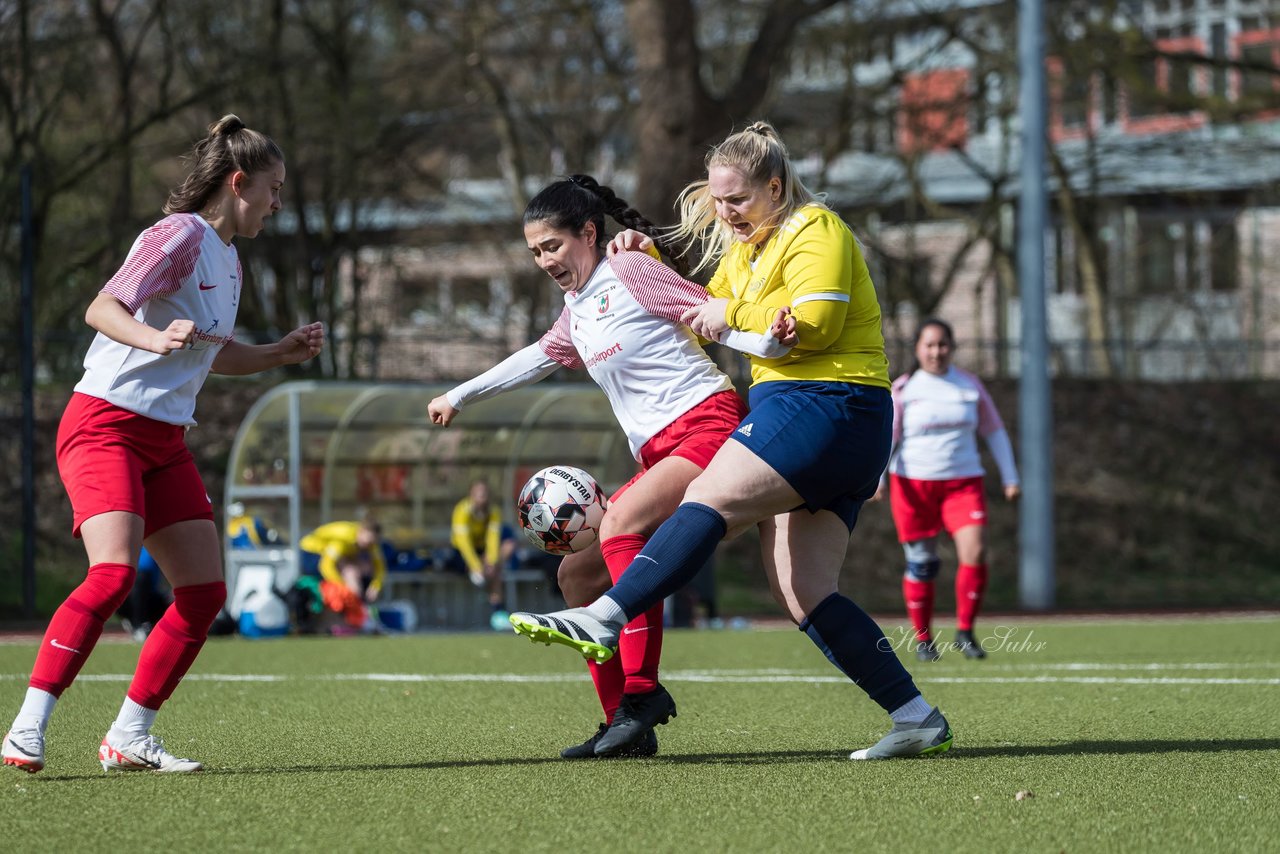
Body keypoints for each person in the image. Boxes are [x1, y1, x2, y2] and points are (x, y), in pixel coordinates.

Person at [508, 122, 954, 760]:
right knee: (805, 592)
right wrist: (648, 253)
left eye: (738, 199)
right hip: (816, 417)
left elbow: (817, 327)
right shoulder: (745, 252)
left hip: (828, 403)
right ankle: (914, 716)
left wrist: (731, 314)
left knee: (709, 493)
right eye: (717, 200)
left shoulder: (816, 229)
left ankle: (606, 615)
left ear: (776, 186)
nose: (725, 213)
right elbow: (707, 313)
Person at [428, 174, 794, 759]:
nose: (545, 260)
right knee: (577, 575)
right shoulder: (579, 307)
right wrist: (459, 396)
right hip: (660, 452)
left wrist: (769, 346)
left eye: (552, 246)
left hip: (708, 425)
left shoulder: (627, 270)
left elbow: (707, 314)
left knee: (621, 524)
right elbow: (534, 359)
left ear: (590, 233)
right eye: (534, 252)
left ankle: (643, 695)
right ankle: (625, 727)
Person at [2, 115, 323, 775]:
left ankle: (128, 737)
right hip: (105, 425)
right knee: (114, 575)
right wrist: (154, 338)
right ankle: (26, 729)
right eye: (274, 187)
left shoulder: (229, 260)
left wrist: (278, 353)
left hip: (164, 439)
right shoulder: (178, 235)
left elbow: (211, 355)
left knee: (205, 593)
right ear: (239, 182)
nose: (278, 202)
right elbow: (104, 307)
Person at [874, 317, 1020, 661]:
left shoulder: (968, 385)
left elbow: (994, 431)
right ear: (917, 349)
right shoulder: (905, 388)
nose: (936, 352)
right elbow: (888, 438)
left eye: (942, 345)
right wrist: (877, 479)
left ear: (952, 348)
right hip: (913, 484)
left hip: (963, 483)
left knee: (976, 552)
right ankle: (924, 641)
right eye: (929, 345)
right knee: (922, 563)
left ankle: (965, 633)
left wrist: (1010, 477)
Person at [447, 480, 519, 632]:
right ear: (471, 495)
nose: (482, 498)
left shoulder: (493, 512)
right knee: (487, 568)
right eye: (479, 495)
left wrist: (492, 562)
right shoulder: (462, 511)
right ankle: (496, 607)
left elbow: (493, 538)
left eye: (484, 495)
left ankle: (498, 613)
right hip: (460, 553)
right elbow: (464, 543)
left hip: (482, 550)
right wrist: (476, 567)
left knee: (499, 564)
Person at [298, 516, 386, 635]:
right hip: (311, 552)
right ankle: (361, 616)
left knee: (363, 569)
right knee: (350, 572)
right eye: (368, 540)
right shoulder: (343, 539)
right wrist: (344, 586)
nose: (369, 545)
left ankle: (362, 616)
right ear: (361, 532)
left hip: (332, 555)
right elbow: (326, 566)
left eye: (372, 542)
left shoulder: (370, 544)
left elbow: (379, 567)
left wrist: (376, 586)